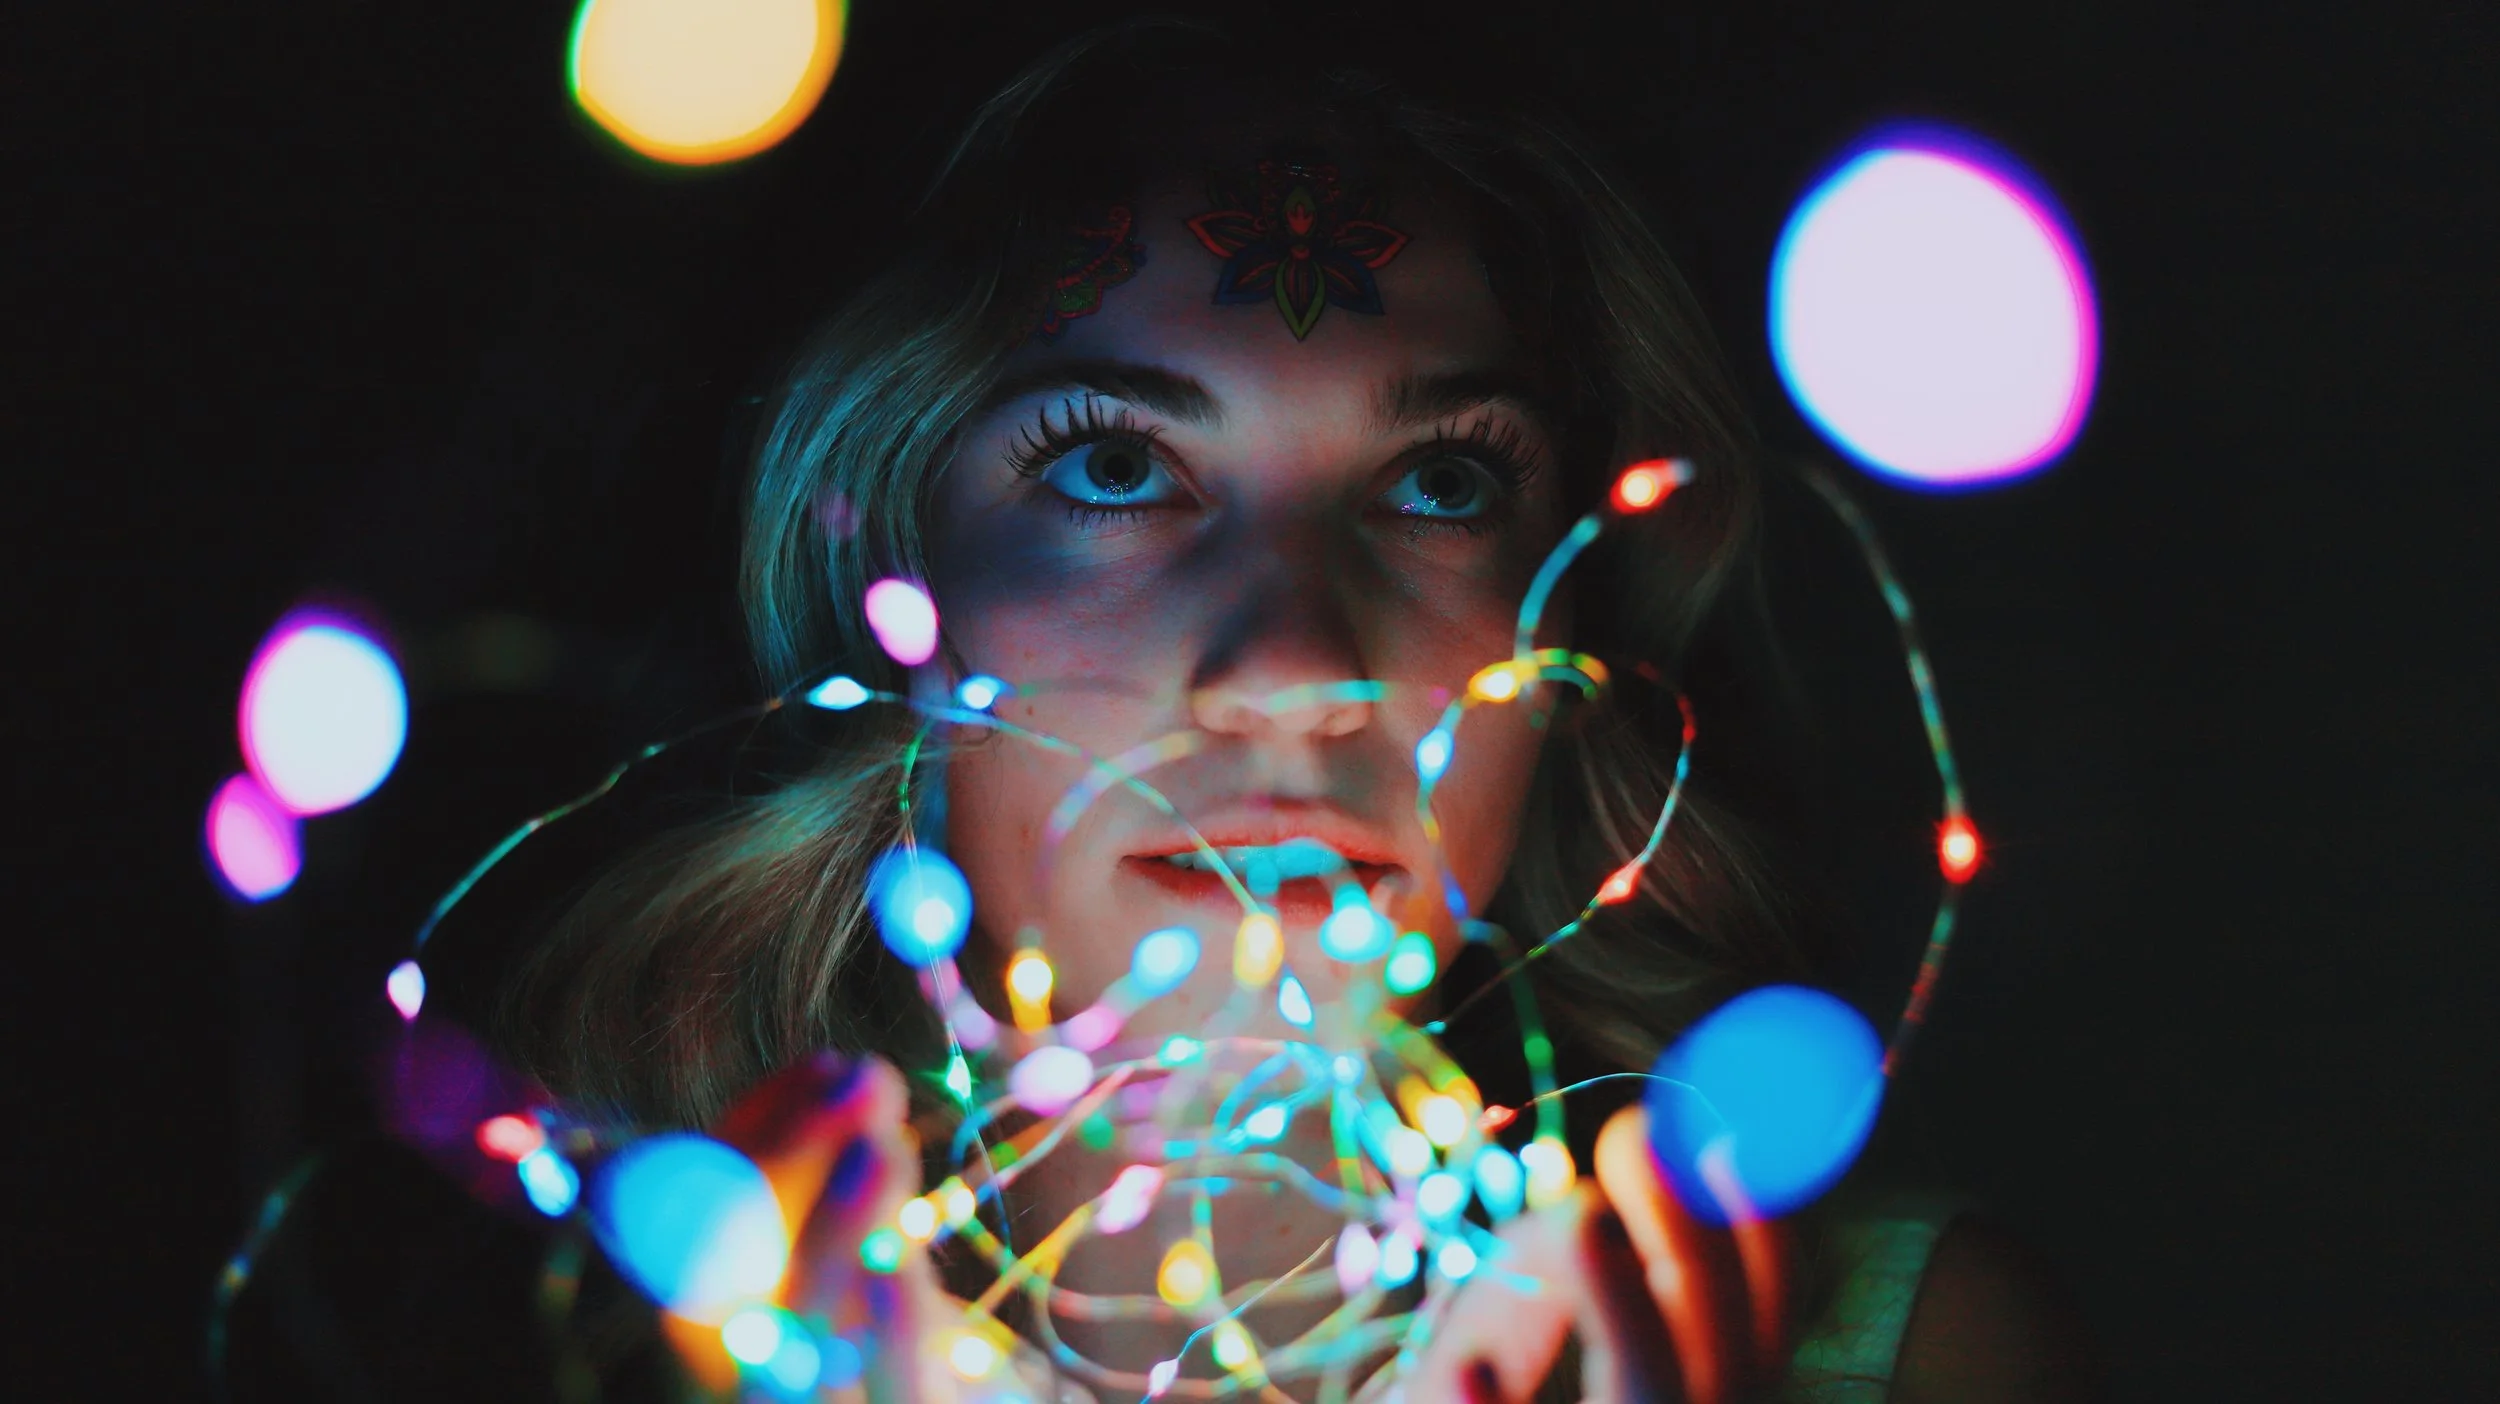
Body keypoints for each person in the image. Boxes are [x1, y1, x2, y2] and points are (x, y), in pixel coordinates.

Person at [498, 20, 2097, 1403]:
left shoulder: (1912, 1356)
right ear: (889, 576)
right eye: (1115, 468)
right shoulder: (565, 1327)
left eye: (1438, 482)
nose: (1290, 671)